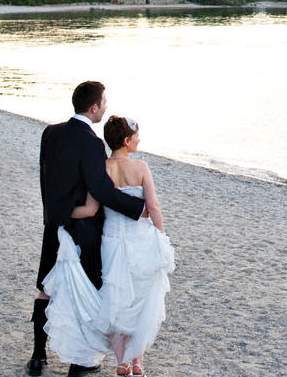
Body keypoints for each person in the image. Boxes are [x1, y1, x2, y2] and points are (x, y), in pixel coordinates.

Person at [30, 81, 146, 376]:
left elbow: (46, 179)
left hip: (54, 222)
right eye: (104, 102)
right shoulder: (91, 143)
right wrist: (138, 208)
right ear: (94, 107)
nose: (106, 106)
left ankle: (37, 354)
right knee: (86, 290)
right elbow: (102, 189)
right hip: (83, 229)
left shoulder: (50, 133)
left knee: (46, 288)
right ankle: (81, 357)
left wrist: (54, 213)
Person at [44, 116, 174, 377]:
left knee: (116, 299)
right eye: (136, 136)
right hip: (141, 240)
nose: (139, 140)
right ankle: (137, 361)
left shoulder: (101, 168)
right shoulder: (141, 168)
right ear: (127, 141)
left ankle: (121, 362)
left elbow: (91, 209)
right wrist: (161, 237)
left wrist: (61, 213)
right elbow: (153, 208)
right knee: (140, 297)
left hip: (112, 241)